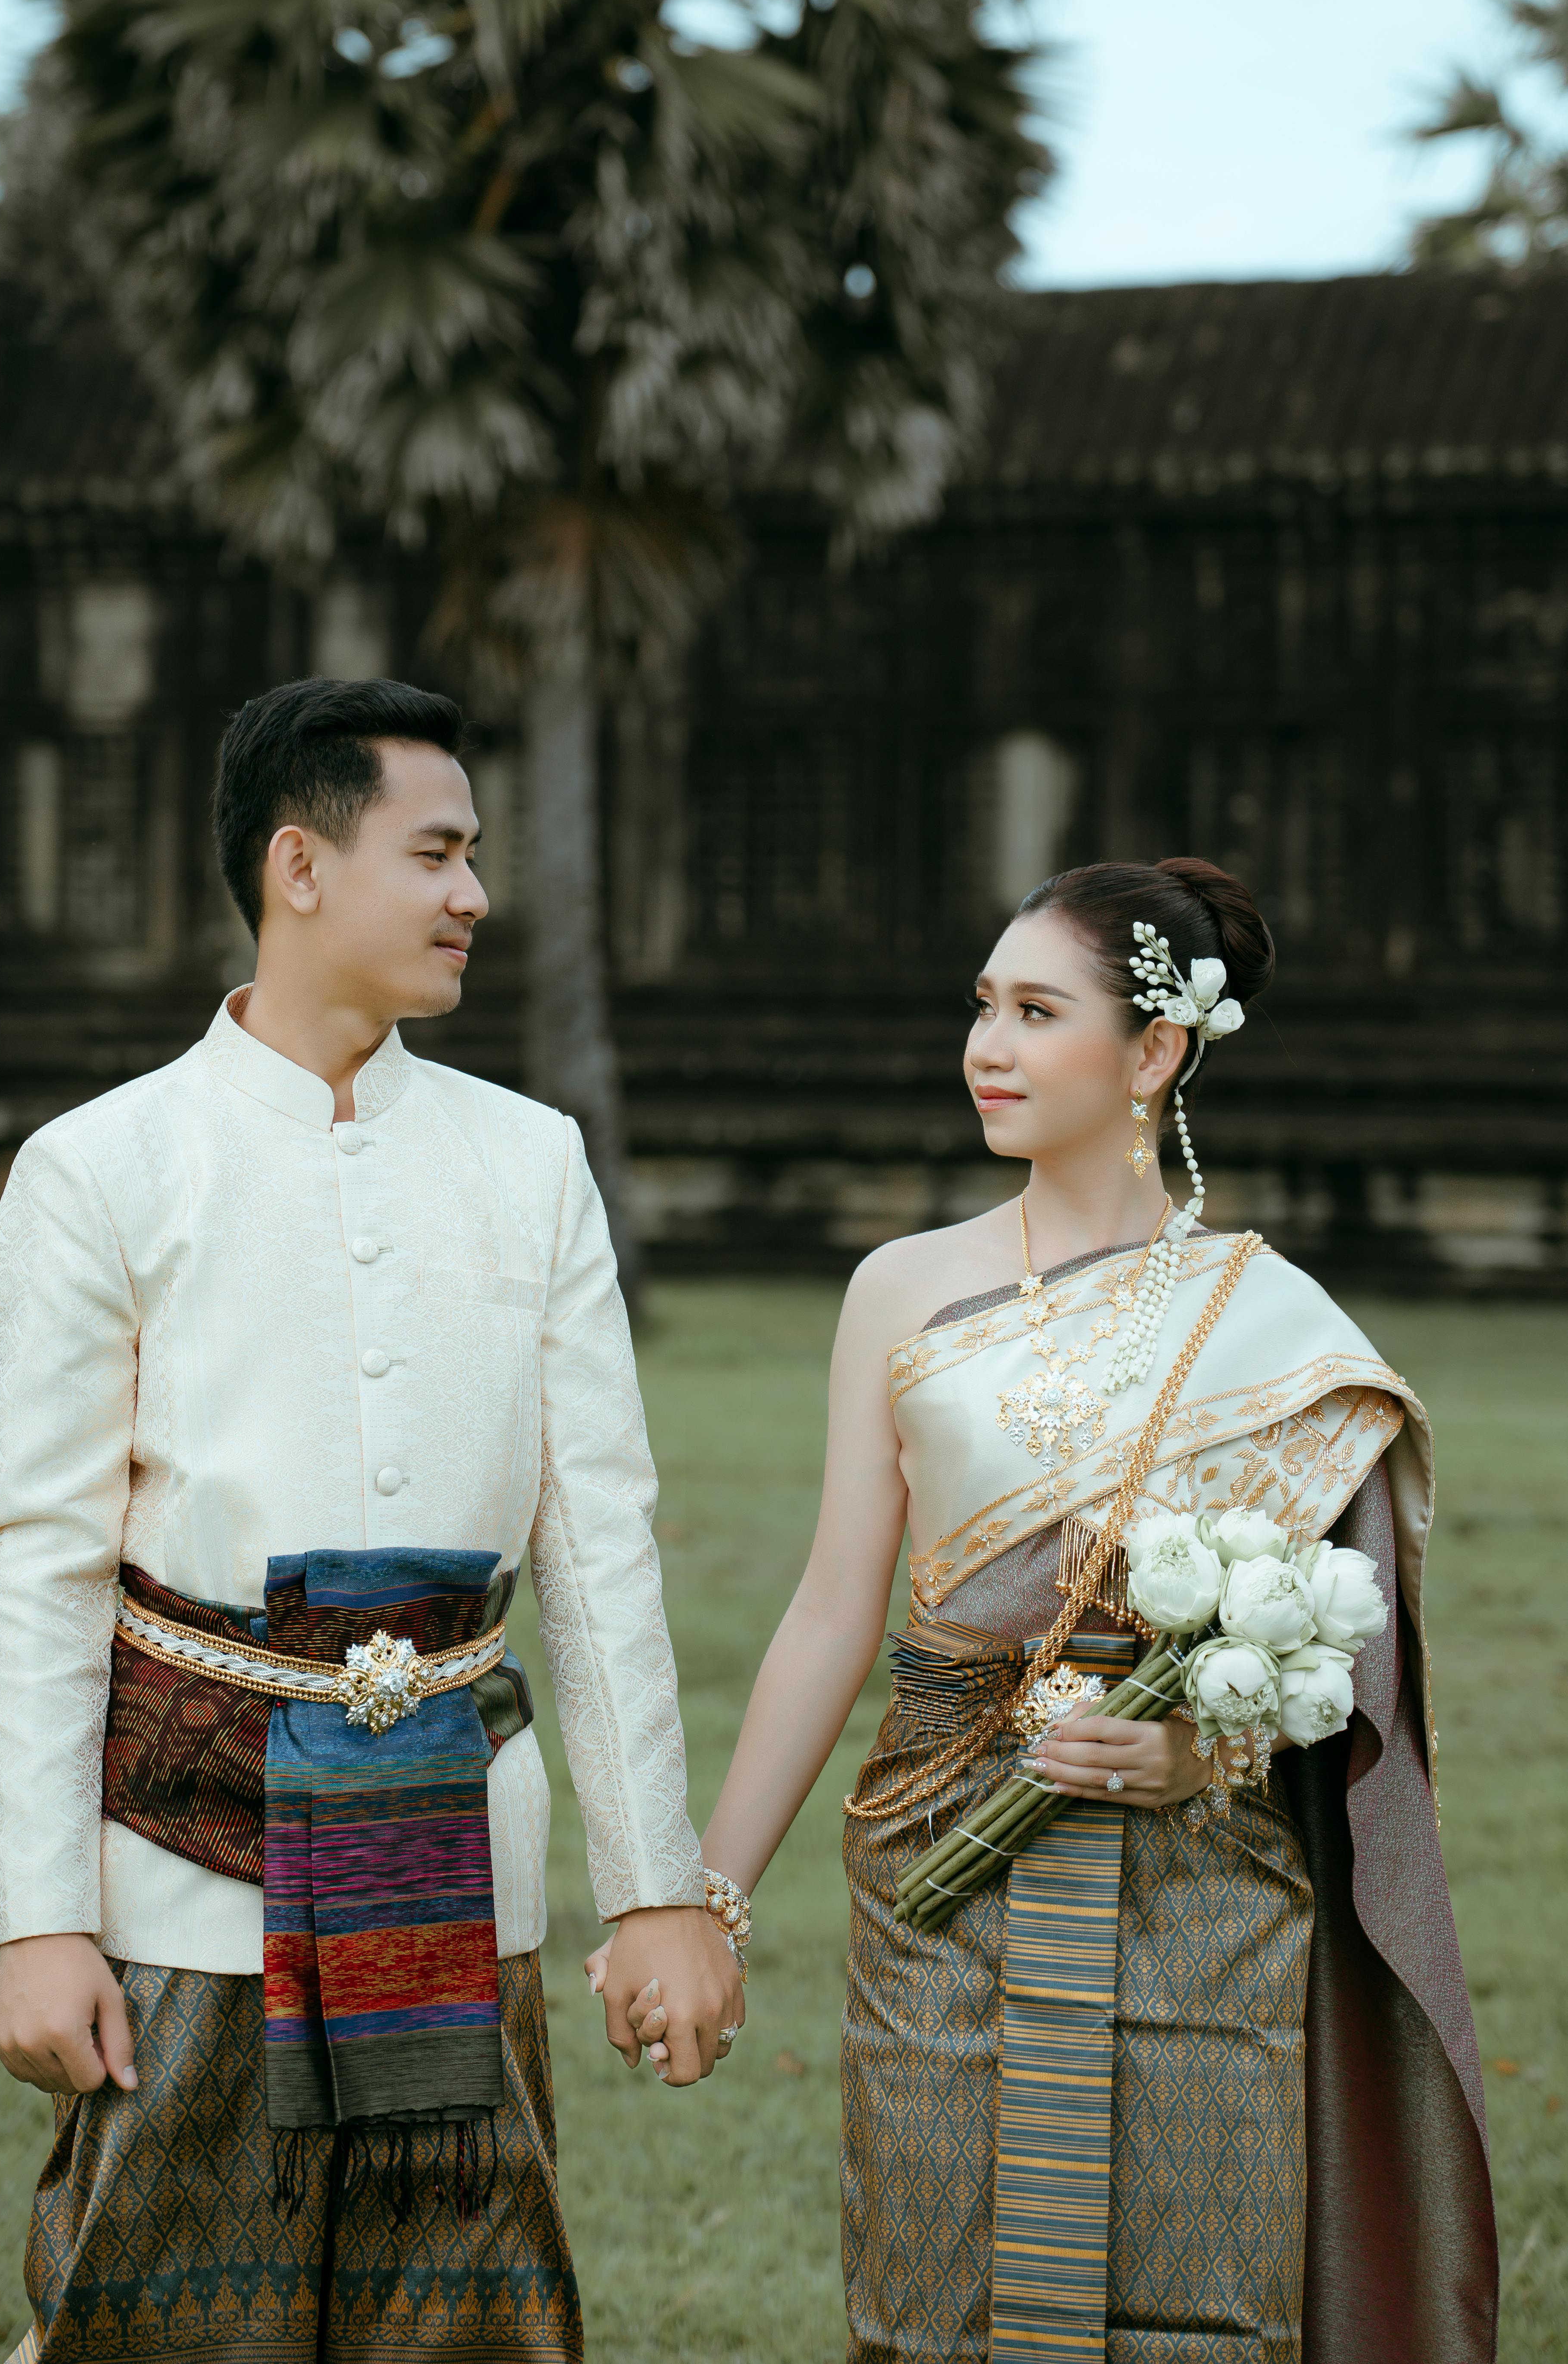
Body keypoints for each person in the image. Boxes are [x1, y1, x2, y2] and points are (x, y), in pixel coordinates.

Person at [607, 856, 1497, 2363]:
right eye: (981, 1008)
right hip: (937, 1869)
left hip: (1206, 1896)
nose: (988, 1047)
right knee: (935, 2301)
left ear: (1153, 1051)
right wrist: (711, 1896)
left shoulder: (1274, 1326)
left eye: (1035, 1010)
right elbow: (834, 1608)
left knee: (1195, 2305)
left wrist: (1198, 1757)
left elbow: (1352, 1676)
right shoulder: (901, 1287)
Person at [0, 676, 743, 2364]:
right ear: (299, 865)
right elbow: (34, 1566)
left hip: (455, 1834)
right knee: (159, 2320)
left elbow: (599, 1548)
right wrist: (39, 1917)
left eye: (474, 857)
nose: (475, 893)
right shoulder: (101, 1167)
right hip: (184, 1844)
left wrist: (655, 1889)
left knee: (457, 2322)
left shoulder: (529, 1161)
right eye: (438, 851)